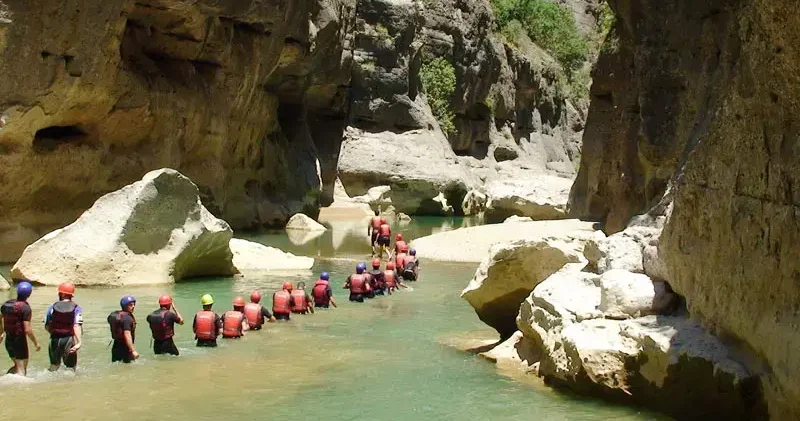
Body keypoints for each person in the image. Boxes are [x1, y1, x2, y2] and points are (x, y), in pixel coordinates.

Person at [1, 282, 40, 376]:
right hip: (19, 341)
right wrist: (36, 343)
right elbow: (27, 329)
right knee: (22, 371)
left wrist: (1, 333)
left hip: (8, 340)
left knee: (17, 366)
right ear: (29, 294)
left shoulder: (6, 304)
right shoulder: (25, 308)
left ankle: (6, 378)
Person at [44, 282, 83, 371]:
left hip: (54, 340)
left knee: (53, 367)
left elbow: (47, 325)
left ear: (61, 294)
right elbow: (76, 325)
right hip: (68, 339)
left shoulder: (52, 307)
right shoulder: (76, 308)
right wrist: (79, 342)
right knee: (71, 369)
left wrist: (54, 332)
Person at [108, 295, 138, 363]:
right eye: (130, 305)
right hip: (125, 348)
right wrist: (133, 350)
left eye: (134, 304)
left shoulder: (114, 315)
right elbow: (127, 334)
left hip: (115, 347)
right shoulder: (127, 318)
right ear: (125, 306)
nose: (133, 306)